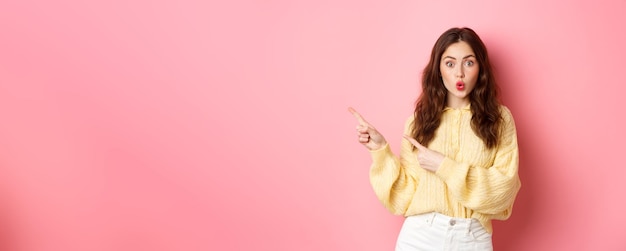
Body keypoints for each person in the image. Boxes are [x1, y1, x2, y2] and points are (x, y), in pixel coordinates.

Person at [348, 27, 521, 251]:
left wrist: (444, 166)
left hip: (472, 238)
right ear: (438, 70)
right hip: (420, 236)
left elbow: (504, 190)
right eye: (450, 64)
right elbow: (404, 196)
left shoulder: (499, 119)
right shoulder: (419, 121)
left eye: (469, 63)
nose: (459, 73)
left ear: (480, 69)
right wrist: (381, 151)